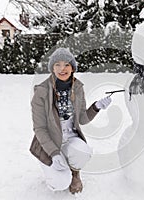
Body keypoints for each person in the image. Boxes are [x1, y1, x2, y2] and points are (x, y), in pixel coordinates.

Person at [29, 48, 111, 194]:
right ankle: (53, 171)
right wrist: (54, 153)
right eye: (57, 65)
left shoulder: (77, 87)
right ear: (52, 68)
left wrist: (97, 107)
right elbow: (39, 128)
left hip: (70, 137)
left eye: (66, 64)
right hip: (48, 143)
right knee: (60, 183)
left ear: (72, 68)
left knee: (83, 152)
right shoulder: (41, 91)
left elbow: (82, 119)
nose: (62, 69)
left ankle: (74, 173)